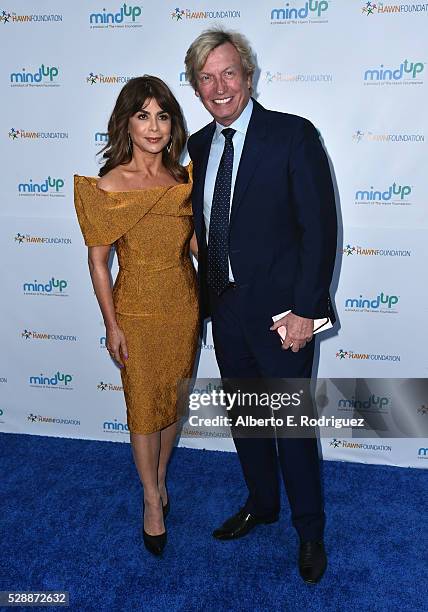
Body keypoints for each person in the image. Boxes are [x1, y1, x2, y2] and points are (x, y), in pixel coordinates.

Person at [185, 28, 337, 583]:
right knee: (247, 421)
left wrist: (306, 311)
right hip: (224, 310)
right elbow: (207, 225)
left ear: (248, 75)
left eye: (228, 73)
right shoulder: (198, 146)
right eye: (206, 77)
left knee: (291, 426)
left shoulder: (292, 135)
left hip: (283, 317)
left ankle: (310, 531)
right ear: (196, 87)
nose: (219, 86)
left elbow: (319, 230)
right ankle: (262, 503)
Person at [74, 76, 199, 556]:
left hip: (182, 305)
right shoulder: (109, 186)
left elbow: (193, 245)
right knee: (143, 407)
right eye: (144, 115)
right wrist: (112, 324)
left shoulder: (182, 178)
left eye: (163, 115)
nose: (154, 126)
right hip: (136, 308)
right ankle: (151, 499)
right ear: (127, 121)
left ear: (173, 124)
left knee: (171, 398)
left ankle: (162, 477)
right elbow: (99, 261)